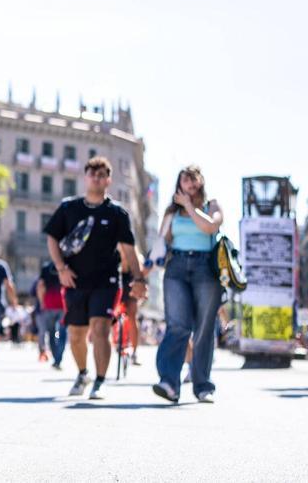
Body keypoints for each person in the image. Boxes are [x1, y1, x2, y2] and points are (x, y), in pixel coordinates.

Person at [44, 156, 146, 399]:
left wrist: (139, 280)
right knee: (76, 334)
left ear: (108, 180)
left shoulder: (117, 213)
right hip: (75, 280)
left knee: (101, 329)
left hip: (107, 281)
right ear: (85, 177)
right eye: (93, 173)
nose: (97, 178)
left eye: (102, 175)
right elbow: (52, 238)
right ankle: (82, 373)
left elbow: (129, 249)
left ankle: (99, 381)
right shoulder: (69, 208)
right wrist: (61, 268)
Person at [151, 165, 224, 404]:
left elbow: (210, 227)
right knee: (177, 325)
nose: (190, 184)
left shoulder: (211, 206)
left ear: (201, 182)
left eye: (194, 180)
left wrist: (190, 207)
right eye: (185, 180)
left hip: (206, 267)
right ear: (179, 184)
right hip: (177, 267)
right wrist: (144, 271)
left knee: (204, 329)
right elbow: (162, 241)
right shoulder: (171, 212)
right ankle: (169, 383)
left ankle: (203, 385)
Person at [35, 259, 68, 370]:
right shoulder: (68, 265)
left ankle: (56, 358)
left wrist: (42, 302)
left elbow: (40, 286)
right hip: (63, 305)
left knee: (53, 333)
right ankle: (58, 358)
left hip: (49, 305)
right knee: (60, 333)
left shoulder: (46, 268)